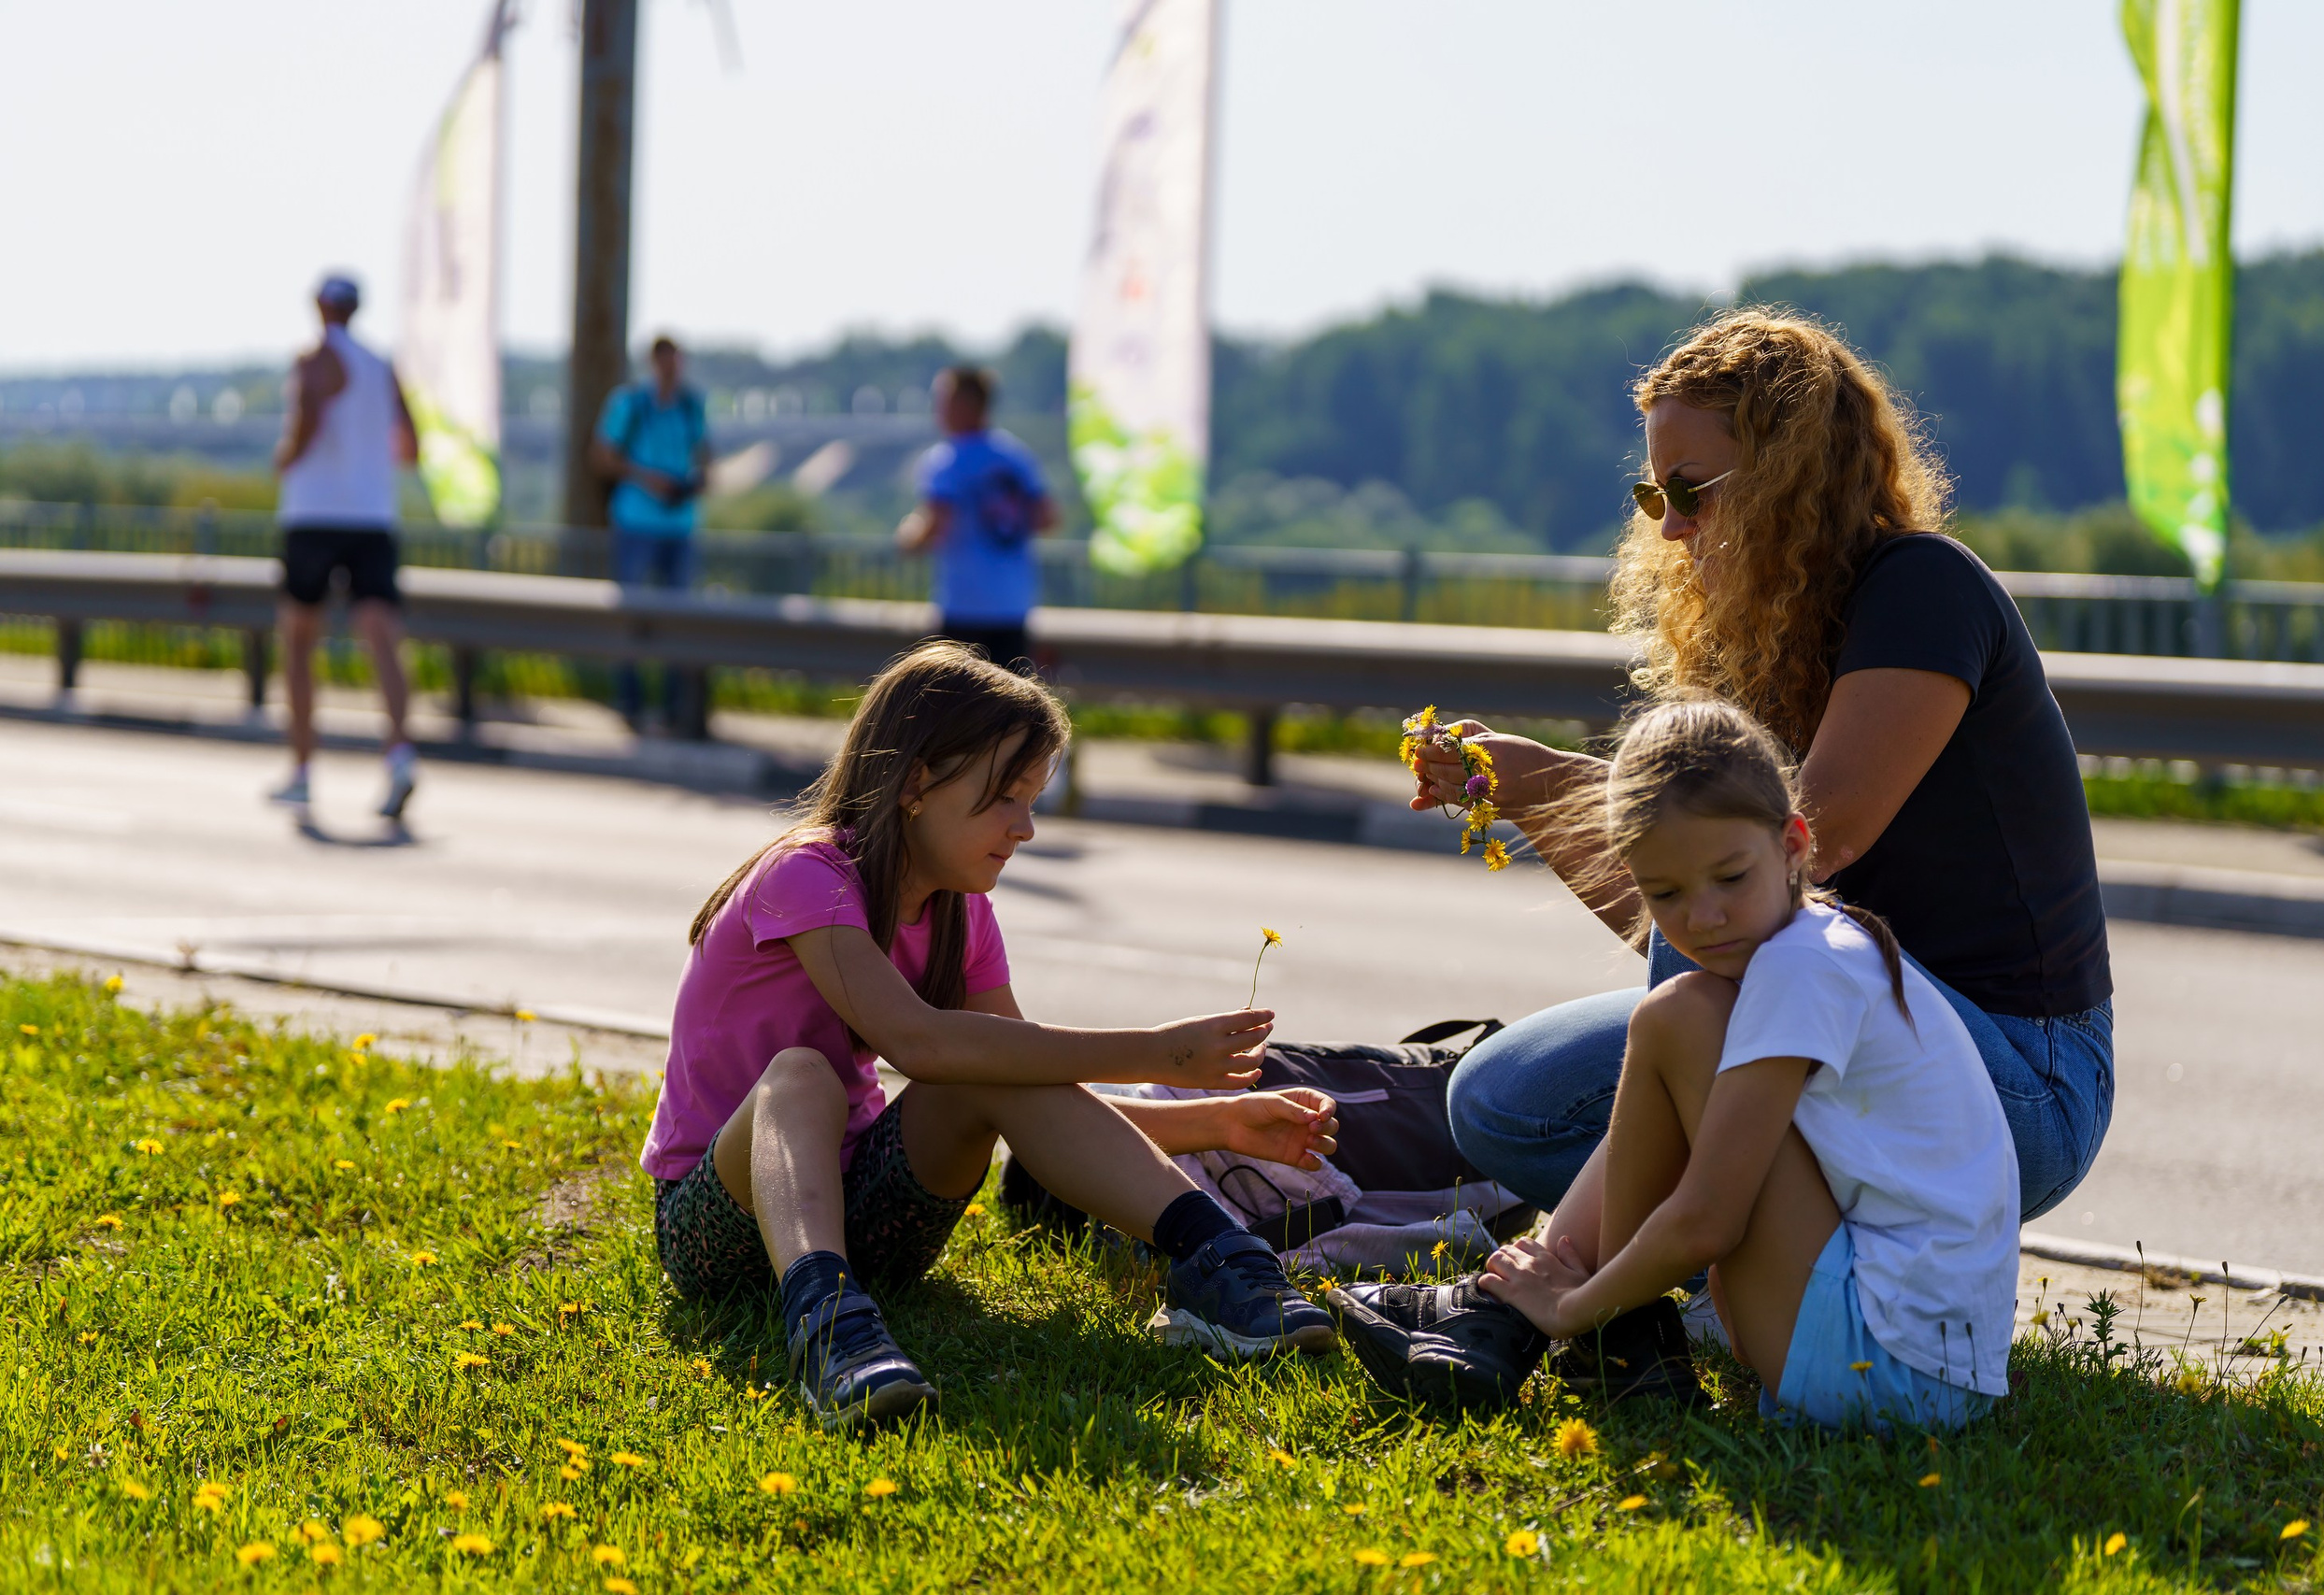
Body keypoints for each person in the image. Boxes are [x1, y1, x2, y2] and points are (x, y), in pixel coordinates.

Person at [1368, 309, 2112, 1387]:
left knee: (1748, 941)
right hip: (1839, 1025)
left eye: (1691, 492)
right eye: (1650, 495)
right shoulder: (1761, 637)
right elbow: (1692, 920)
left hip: (2019, 1081)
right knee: (1500, 1099)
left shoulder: (1920, 588)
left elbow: (1813, 853)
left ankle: (1543, 1294)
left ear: (1791, 479)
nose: (1668, 528)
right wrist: (1534, 791)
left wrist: (1591, 797)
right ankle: (1666, 1285)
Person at [641, 640, 1340, 1429]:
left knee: (995, 1061)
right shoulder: (807, 875)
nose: (1027, 828)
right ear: (915, 782)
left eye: (1033, 800)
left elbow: (1028, 1089)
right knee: (802, 1073)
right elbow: (921, 1045)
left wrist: (1212, 1123)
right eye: (1006, 797)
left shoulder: (961, 910)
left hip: (873, 1216)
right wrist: (1159, 1052)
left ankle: (1224, 1263)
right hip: (726, 1227)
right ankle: (827, 1327)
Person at [1336, 699, 2017, 1431]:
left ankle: (1589, 1332)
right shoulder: (1820, 939)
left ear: (1794, 843)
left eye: (1730, 877)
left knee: (1676, 1016)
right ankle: (1551, 1323)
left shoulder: (1798, 970)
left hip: (1881, 1371)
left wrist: (1568, 1308)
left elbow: (1707, 1221)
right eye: (1665, 894)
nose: (1703, 917)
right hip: (1930, 1370)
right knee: (1685, 1019)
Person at [267, 274, 423, 820]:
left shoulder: (314, 357)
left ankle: (304, 770)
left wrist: (288, 456)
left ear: (319, 306)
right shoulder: (381, 367)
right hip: (372, 516)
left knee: (299, 641)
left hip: (314, 512)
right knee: (382, 637)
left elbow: (308, 416)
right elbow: (410, 446)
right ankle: (400, 754)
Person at [895, 366, 1057, 671]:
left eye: (943, 401)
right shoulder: (1015, 454)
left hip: (964, 606)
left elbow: (935, 524)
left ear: (965, 405)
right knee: (1009, 707)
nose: (937, 411)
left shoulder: (947, 459)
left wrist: (907, 538)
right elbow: (1047, 517)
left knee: (955, 710)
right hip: (1013, 604)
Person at [592, 335, 712, 729]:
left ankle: (674, 706)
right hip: (635, 523)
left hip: (679, 525)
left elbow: (704, 455)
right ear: (653, 363)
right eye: (665, 363)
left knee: (678, 619)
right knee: (632, 615)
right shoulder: (630, 404)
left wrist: (694, 483)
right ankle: (630, 701)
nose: (671, 370)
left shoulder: (690, 405)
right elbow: (602, 456)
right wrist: (647, 479)